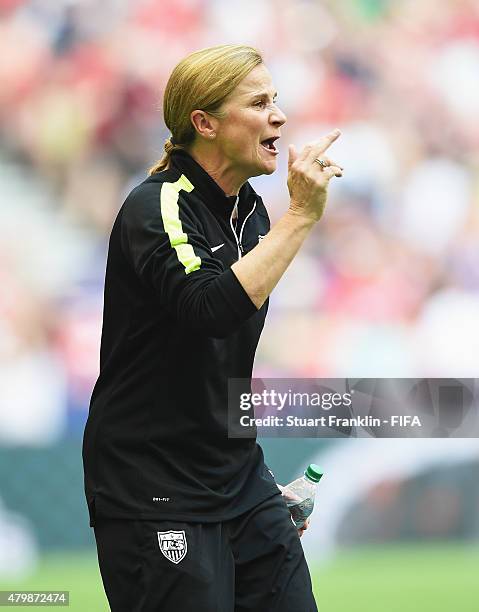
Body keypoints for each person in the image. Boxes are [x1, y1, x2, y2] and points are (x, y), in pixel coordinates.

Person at [82, 44, 343, 612]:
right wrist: (302, 216)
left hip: (236, 479)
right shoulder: (157, 207)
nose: (278, 115)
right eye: (258, 102)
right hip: (153, 486)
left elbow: (224, 361)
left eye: (277, 100)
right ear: (204, 122)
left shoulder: (252, 215)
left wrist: (252, 473)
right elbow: (209, 311)